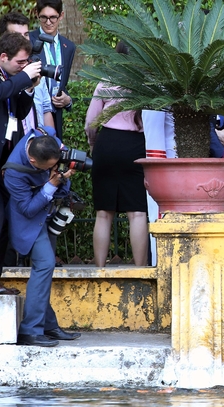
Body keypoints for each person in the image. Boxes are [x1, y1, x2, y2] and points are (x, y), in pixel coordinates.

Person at [4, 130, 81, 346]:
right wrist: (51, 185)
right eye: (46, 168)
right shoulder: (13, 173)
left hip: (47, 215)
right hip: (28, 223)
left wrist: (60, 178)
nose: (51, 170)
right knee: (45, 264)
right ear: (32, 160)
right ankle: (30, 330)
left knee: (45, 272)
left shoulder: (46, 139)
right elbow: (27, 209)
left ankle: (48, 325)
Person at [85, 43, 148, 267]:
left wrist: (94, 146)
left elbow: (90, 123)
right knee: (138, 213)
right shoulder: (148, 85)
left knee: (103, 213)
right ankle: (141, 270)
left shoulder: (107, 82)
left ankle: (100, 269)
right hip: (135, 145)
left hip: (107, 143)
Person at [0, 33, 41, 295]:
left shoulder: (12, 77)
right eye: (20, 62)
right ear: (3, 57)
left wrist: (29, 86)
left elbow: (19, 112)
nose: (24, 67)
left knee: (4, 222)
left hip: (3, 162)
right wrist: (22, 78)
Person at [0, 12, 55, 133]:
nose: (23, 40)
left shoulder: (33, 66)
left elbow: (45, 109)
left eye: (26, 35)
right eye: (17, 36)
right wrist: (23, 77)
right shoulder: (0, 72)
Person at [29, 0, 76, 139]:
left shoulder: (69, 46)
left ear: (61, 16)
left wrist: (67, 100)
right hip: (34, 111)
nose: (48, 22)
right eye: (44, 17)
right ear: (37, 15)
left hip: (56, 112)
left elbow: (63, 83)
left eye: (53, 17)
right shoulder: (28, 40)